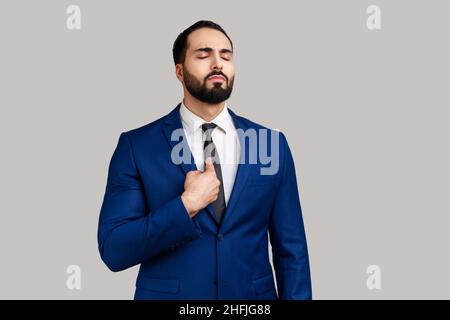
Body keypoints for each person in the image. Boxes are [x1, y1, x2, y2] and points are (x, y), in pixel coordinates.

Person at [97, 20, 312, 300]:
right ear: (179, 71)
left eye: (226, 55)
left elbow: (292, 252)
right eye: (203, 54)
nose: (217, 63)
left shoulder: (271, 144)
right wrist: (186, 206)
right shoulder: (137, 146)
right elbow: (115, 249)